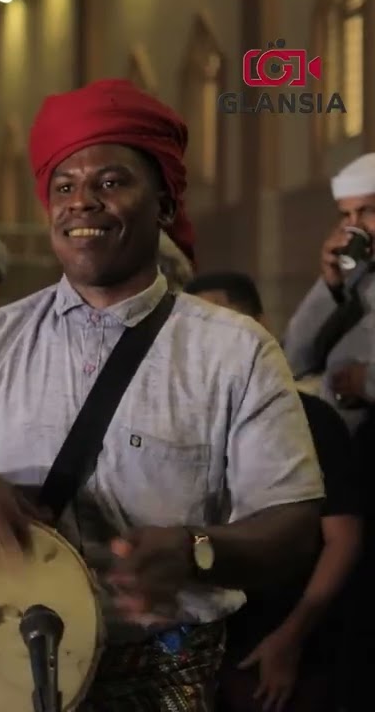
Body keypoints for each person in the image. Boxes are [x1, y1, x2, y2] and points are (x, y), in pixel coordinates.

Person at [0, 79, 323, 709]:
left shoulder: (235, 350)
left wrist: (197, 552)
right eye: (63, 187)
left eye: (112, 183)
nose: (81, 203)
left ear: (165, 206)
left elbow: (293, 527)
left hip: (166, 676)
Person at [185, 272, 363, 712]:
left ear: (259, 325)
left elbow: (343, 539)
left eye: (226, 324)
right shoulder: (186, 421)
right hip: (209, 647)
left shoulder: (308, 418)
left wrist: (290, 638)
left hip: (285, 646)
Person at [283, 152, 375, 430]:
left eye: (367, 211)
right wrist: (330, 282)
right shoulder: (359, 279)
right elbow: (292, 362)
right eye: (346, 215)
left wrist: (366, 381)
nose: (355, 226)